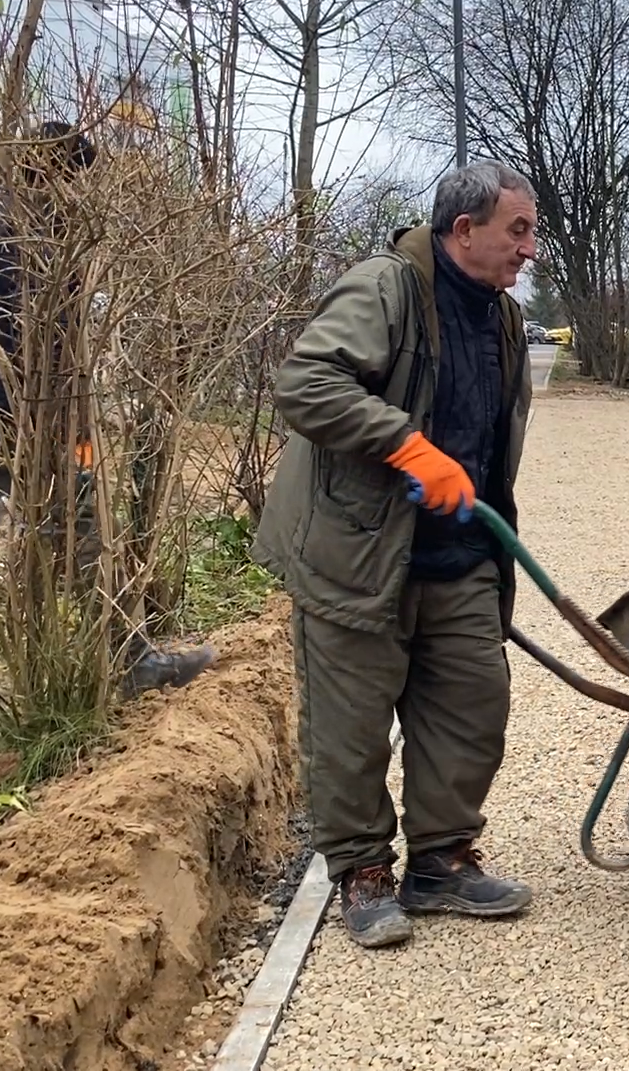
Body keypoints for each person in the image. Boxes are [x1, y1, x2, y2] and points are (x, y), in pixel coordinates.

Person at [252, 159, 537, 950]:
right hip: (359, 551)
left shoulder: (502, 316)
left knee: (473, 708)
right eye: (518, 230)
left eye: (532, 232)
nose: (530, 249)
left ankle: (441, 862)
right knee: (351, 728)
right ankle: (363, 873)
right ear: (463, 230)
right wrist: (406, 449)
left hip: (459, 551)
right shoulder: (385, 288)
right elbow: (304, 382)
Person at [0, 120, 216, 695]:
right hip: (9, 418)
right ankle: (132, 658)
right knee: (79, 526)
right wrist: (76, 441)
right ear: (65, 171)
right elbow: (60, 354)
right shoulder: (50, 236)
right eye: (78, 175)